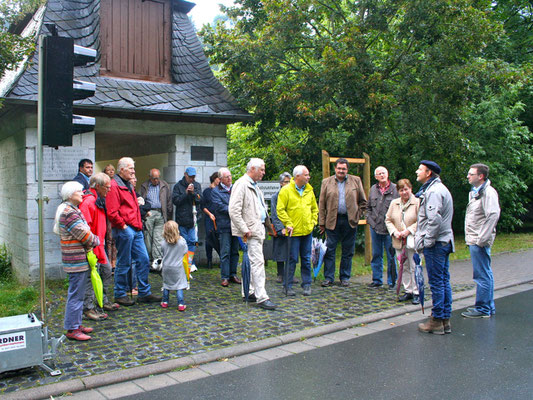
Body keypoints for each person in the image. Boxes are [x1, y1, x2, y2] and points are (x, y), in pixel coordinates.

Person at [106, 157, 161, 306]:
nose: (133, 171)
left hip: (135, 228)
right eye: (130, 168)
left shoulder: (127, 185)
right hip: (126, 229)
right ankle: (120, 294)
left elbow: (133, 207)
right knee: (124, 262)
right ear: (122, 169)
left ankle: (144, 292)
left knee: (143, 260)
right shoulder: (114, 186)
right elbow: (112, 212)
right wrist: (123, 227)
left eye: (133, 168)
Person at [54, 181, 100, 341]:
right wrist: (96, 239)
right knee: (76, 295)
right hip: (76, 259)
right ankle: (72, 329)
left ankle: (76, 324)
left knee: (78, 294)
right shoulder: (69, 213)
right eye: (79, 191)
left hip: (77, 259)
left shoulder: (70, 210)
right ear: (70, 194)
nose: (82, 194)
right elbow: (84, 235)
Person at [229, 158, 276, 310]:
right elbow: (233, 210)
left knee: (251, 262)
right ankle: (261, 297)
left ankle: (248, 292)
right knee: (258, 263)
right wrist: (244, 229)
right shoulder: (242, 184)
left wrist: (268, 227)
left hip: (256, 229)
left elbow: (261, 209)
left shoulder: (254, 186)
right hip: (250, 231)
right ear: (253, 169)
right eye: (261, 169)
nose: (264, 172)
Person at [414, 160, 454, 335]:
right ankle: (444, 319)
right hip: (444, 241)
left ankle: (437, 320)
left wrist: (427, 241)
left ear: (428, 173)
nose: (417, 172)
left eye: (420, 169)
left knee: (437, 283)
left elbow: (434, 220)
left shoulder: (434, 192)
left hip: (437, 244)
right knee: (443, 281)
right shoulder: (438, 189)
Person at [319, 158, 367, 287]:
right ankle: (329, 277)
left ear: (347, 170)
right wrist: (321, 222)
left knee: (348, 250)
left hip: (350, 221)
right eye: (339, 168)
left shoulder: (355, 181)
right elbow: (322, 203)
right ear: (335, 168)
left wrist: (358, 215)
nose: (341, 171)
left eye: (344, 169)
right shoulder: (326, 182)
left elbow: (363, 201)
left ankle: (345, 277)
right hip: (332, 221)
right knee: (330, 250)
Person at [461, 163, 500, 319]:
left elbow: (493, 215)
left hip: (479, 240)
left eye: (471, 174)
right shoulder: (476, 192)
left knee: (482, 274)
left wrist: (481, 239)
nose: (468, 176)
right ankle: (487, 306)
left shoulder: (488, 193)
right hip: (475, 238)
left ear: (481, 176)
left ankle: (483, 308)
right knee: (484, 273)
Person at [79, 173, 119, 322]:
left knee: (107, 271)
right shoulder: (89, 202)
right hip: (91, 248)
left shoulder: (99, 200)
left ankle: (102, 300)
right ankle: (88, 308)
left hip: (99, 246)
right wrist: (89, 247)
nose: (109, 190)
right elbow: (84, 228)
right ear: (98, 186)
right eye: (107, 187)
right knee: (90, 278)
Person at [276, 165, 318, 296]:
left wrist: (313, 223)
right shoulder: (286, 190)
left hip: (307, 231)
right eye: (306, 175)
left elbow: (314, 209)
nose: (308, 177)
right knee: (292, 258)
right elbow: (280, 209)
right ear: (297, 176)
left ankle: (307, 284)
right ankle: (287, 286)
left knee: (306, 258)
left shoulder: (309, 190)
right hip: (293, 232)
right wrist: (288, 223)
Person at [385, 179, 420, 304]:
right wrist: (395, 232)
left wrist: (409, 230)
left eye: (406, 189)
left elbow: (421, 220)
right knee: (403, 266)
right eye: (401, 190)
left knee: (414, 266)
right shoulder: (394, 203)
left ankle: (417, 291)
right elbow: (388, 219)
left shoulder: (417, 202)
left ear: (411, 189)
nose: (404, 192)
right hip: (398, 239)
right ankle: (408, 290)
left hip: (412, 239)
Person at [367, 166, 399, 288]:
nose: (381, 175)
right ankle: (377, 280)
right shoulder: (373, 189)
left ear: (388, 174)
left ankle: (392, 281)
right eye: (379, 174)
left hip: (390, 229)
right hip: (375, 227)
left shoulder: (395, 189)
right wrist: (370, 221)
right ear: (375, 177)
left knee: (391, 255)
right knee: (376, 254)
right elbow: (368, 207)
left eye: (383, 173)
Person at [212, 168, 242, 287]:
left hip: (236, 224)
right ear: (220, 179)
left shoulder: (235, 188)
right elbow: (219, 207)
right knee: (225, 252)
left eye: (230, 176)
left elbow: (241, 202)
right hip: (224, 225)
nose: (230, 179)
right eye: (226, 177)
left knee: (235, 251)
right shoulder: (215, 191)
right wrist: (233, 209)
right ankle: (225, 277)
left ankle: (233, 274)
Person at [140, 168, 173, 264]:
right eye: (154, 178)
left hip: (161, 213)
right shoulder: (144, 186)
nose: (156, 180)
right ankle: (149, 259)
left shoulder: (164, 185)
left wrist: (169, 216)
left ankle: (157, 260)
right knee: (148, 237)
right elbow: (140, 200)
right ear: (149, 177)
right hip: (149, 213)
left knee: (158, 237)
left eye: (158, 178)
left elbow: (169, 201)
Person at [172, 167, 202, 269]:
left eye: (193, 177)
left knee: (193, 241)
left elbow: (200, 200)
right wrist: (186, 193)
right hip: (182, 220)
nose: (192, 179)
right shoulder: (178, 186)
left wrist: (193, 193)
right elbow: (176, 201)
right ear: (185, 175)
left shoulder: (197, 185)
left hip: (193, 221)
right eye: (190, 177)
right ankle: (184, 264)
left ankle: (189, 262)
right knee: (183, 243)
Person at [160, 221, 189, 311]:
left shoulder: (163, 243)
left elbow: (162, 251)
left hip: (166, 267)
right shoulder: (181, 242)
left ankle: (165, 302)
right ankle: (181, 303)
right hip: (178, 267)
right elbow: (185, 251)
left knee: (166, 285)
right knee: (179, 286)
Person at [270, 172, 292, 283]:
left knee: (290, 252)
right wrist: (280, 228)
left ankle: (289, 274)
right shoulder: (275, 196)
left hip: (291, 228)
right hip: (280, 228)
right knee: (280, 252)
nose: (288, 184)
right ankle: (280, 274)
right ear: (281, 183)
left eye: (289, 181)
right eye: (286, 182)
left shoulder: (292, 195)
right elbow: (274, 214)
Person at [202, 172, 221, 268]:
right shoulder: (207, 192)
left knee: (219, 239)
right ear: (214, 179)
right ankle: (209, 260)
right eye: (219, 179)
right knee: (209, 238)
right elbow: (203, 206)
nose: (220, 181)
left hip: (219, 218)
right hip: (210, 218)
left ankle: (222, 259)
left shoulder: (220, 191)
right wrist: (210, 214)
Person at [104, 164, 117, 268]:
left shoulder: (117, 183)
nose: (111, 172)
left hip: (116, 213)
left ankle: (114, 260)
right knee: (109, 239)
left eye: (113, 170)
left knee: (115, 239)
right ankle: (108, 261)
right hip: (107, 213)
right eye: (109, 170)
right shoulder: (104, 183)